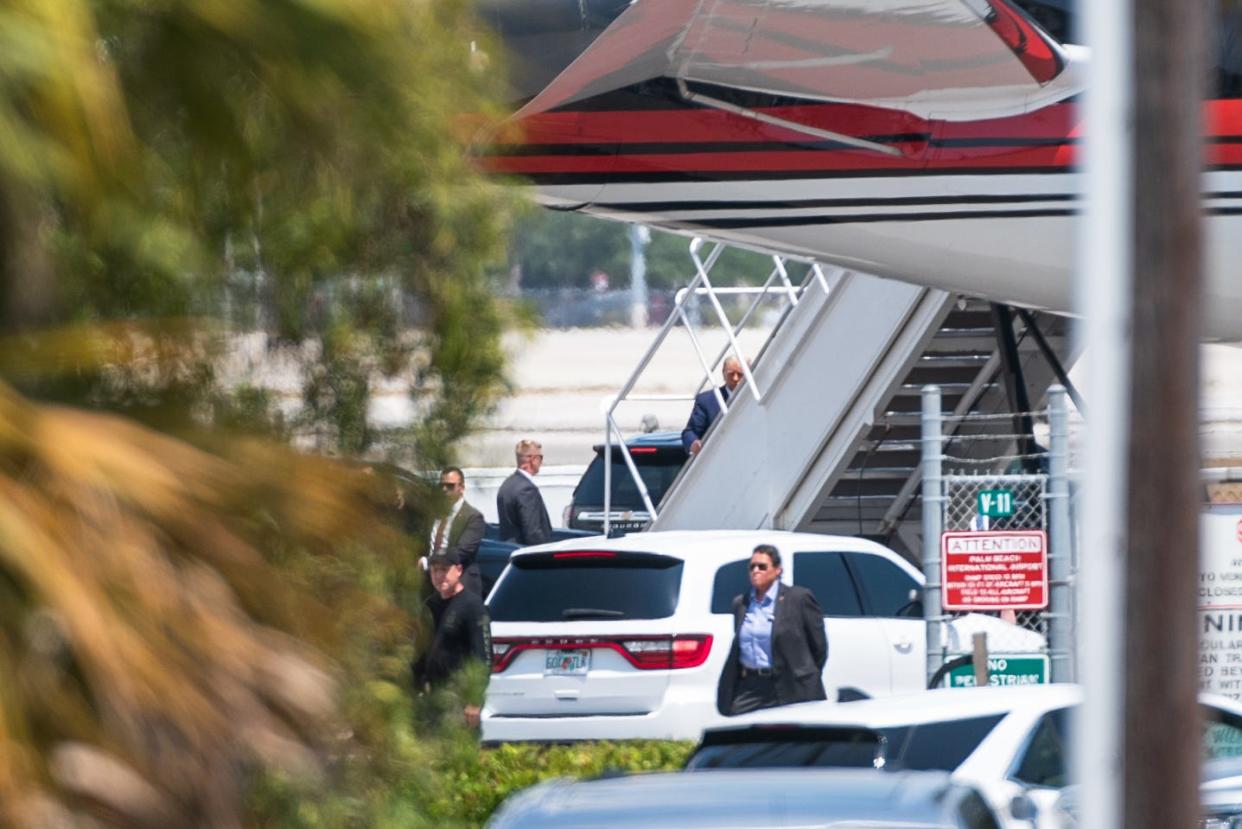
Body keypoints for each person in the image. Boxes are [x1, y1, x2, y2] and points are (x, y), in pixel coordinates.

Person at [717, 544, 828, 716]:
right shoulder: (741, 603)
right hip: (752, 685)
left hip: (790, 683)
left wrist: (804, 673)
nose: (755, 570)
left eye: (762, 566)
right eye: (752, 566)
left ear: (777, 571)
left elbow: (819, 647)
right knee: (739, 731)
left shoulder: (798, 598)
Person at [412, 549, 492, 727]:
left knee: (451, 750)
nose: (439, 576)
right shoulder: (431, 605)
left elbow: (483, 657)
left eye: (444, 570)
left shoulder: (472, 606)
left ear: (459, 570)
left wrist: (474, 700)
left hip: (458, 695)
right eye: (435, 570)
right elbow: (421, 650)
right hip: (432, 693)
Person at [428, 466, 486, 595]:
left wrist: (430, 561)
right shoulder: (434, 514)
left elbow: (462, 552)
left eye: (450, 486)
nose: (444, 490)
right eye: (441, 486)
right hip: (433, 583)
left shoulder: (472, 517)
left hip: (459, 584)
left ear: (461, 488)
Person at [682, 356, 746, 456]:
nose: (735, 378)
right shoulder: (707, 401)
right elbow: (689, 433)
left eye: (740, 374)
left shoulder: (757, 396)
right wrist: (694, 443)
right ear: (723, 374)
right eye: (731, 374)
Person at [496, 438, 552, 545]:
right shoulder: (527, 490)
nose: (541, 462)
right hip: (526, 554)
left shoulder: (506, 485)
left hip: (508, 549)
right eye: (540, 457)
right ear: (533, 459)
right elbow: (533, 532)